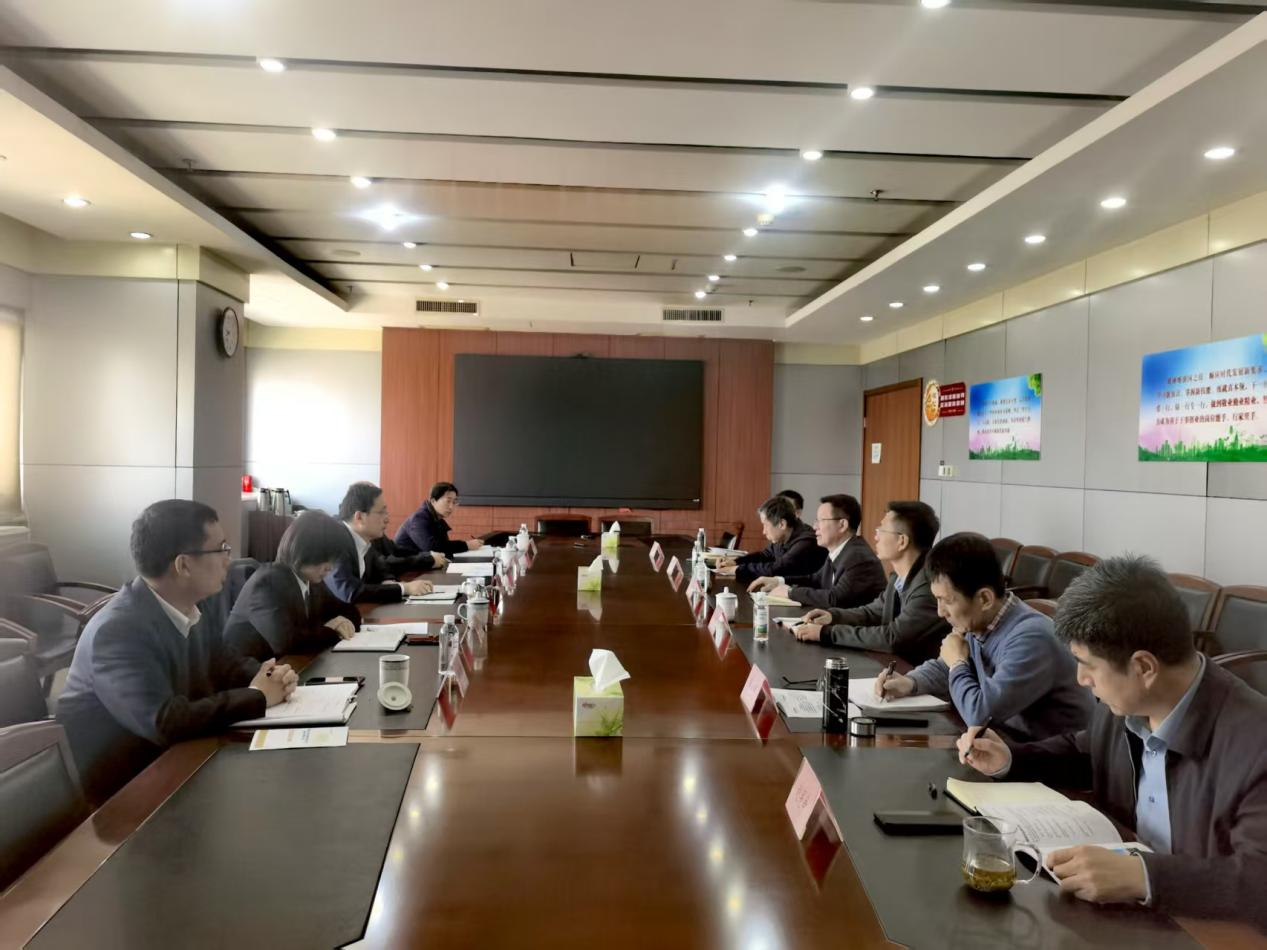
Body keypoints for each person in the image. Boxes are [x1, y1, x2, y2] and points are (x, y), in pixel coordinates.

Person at [958, 556, 1267, 930]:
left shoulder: (1255, 743)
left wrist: (1144, 876)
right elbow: (1084, 751)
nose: (1080, 678)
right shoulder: (1124, 705)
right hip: (1122, 915)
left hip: (1207, 929)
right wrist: (1011, 759)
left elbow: (1257, 879)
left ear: (1144, 667)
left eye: (1087, 664)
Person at [57, 500, 297, 804]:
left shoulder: (191, 604)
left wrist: (270, 677)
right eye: (221, 549)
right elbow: (165, 721)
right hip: (127, 791)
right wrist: (258, 696)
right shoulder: (117, 631)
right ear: (183, 565)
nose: (228, 559)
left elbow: (225, 663)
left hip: (181, 760)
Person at [875, 532, 1092, 740]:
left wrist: (957, 663)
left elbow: (979, 715)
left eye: (947, 601)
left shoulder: (1032, 638)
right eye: (937, 600)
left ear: (985, 599)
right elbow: (946, 666)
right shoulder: (981, 620)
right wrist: (910, 682)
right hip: (1007, 744)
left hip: (1051, 757)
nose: (940, 612)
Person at [790, 500, 947, 665]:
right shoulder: (899, 577)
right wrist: (832, 616)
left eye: (881, 530)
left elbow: (893, 637)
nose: (876, 537)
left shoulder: (929, 586)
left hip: (917, 673)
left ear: (902, 541)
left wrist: (827, 633)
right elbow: (873, 612)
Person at [224, 511, 363, 662]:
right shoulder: (269, 583)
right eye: (324, 558)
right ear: (304, 551)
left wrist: (343, 623)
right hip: (247, 670)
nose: (330, 567)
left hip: (286, 666)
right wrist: (333, 630)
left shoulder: (310, 581)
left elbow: (348, 611)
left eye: (333, 559)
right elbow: (288, 643)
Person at [747, 493, 885, 610]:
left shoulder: (858, 557)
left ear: (842, 525)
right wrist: (779, 581)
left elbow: (835, 598)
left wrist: (790, 592)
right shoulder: (840, 550)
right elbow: (815, 579)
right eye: (816, 520)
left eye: (821, 521)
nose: (815, 527)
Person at [326, 482, 435, 604]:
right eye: (381, 512)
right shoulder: (336, 541)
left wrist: (388, 582)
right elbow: (349, 591)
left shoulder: (364, 539)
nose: (387, 519)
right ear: (359, 517)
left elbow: (381, 569)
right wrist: (404, 588)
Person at [715, 494, 824, 586]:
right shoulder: (783, 536)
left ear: (782, 524)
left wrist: (737, 569)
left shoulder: (806, 542)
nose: (764, 531)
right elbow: (764, 555)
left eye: (765, 525)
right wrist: (735, 562)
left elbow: (776, 569)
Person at [395, 481, 483, 557]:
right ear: (433, 501)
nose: (451, 507)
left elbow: (444, 546)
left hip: (423, 564)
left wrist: (466, 545)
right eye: (448, 501)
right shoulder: (418, 519)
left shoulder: (438, 519)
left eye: (454, 502)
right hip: (406, 568)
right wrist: (466, 545)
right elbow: (431, 548)